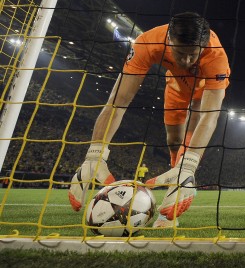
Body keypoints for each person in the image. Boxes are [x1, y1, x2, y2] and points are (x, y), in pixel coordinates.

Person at [68, 12, 230, 228]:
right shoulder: (148, 42)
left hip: (203, 92)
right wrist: (95, 154)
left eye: (194, 55)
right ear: (169, 40)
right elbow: (117, 103)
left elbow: (210, 118)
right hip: (175, 86)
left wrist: (189, 166)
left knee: (194, 125)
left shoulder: (216, 56)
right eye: (181, 54)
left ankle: (180, 182)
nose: (187, 61)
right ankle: (176, 170)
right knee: (173, 140)